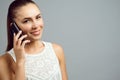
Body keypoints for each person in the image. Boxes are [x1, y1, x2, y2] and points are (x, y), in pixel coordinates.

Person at [0, 0, 68, 80]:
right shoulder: (3, 62)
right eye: (26, 21)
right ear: (14, 27)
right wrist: (20, 62)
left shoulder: (57, 50)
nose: (36, 25)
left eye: (38, 17)